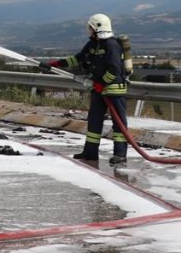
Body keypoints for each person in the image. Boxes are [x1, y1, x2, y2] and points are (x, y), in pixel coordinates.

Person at [41, 13, 129, 166]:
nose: (88, 29)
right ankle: (90, 152)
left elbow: (114, 68)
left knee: (118, 123)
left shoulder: (112, 45)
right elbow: (78, 58)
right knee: (94, 121)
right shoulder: (92, 44)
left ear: (97, 28)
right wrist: (57, 63)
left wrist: (103, 83)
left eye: (90, 27)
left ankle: (120, 154)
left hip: (114, 89)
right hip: (98, 89)